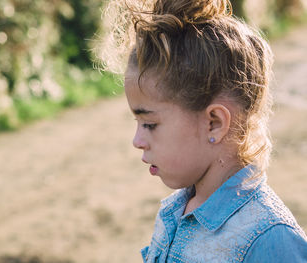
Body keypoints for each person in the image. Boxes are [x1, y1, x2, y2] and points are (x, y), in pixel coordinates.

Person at [99, 0, 307, 262]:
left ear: (215, 123)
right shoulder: (174, 211)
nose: (137, 141)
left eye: (150, 124)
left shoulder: (270, 240)